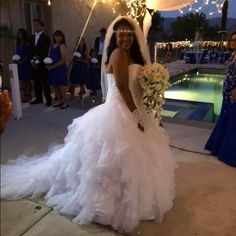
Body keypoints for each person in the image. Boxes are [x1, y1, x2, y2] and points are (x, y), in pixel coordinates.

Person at [1, 16, 176, 233]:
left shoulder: (131, 56)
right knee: (114, 160)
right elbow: (122, 87)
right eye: (121, 34)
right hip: (119, 112)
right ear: (115, 35)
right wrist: (138, 116)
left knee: (131, 160)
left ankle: (127, 197)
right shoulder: (118, 53)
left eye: (130, 34)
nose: (125, 38)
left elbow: (134, 86)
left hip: (132, 109)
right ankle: (111, 203)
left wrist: (151, 90)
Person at [205, 30, 236, 167]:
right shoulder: (233, 55)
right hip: (227, 92)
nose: (233, 42)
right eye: (232, 39)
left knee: (233, 124)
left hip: (234, 92)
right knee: (225, 120)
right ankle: (219, 148)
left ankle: (230, 155)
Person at [29, 19, 52, 106]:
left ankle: (48, 99)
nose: (35, 26)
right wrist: (32, 61)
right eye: (34, 25)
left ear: (42, 26)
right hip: (33, 63)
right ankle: (39, 98)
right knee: (36, 81)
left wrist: (39, 61)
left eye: (37, 25)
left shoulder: (46, 37)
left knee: (45, 82)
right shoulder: (31, 37)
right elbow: (30, 51)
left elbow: (46, 51)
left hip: (43, 63)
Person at [46, 30, 68, 109]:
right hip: (52, 68)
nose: (57, 37)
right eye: (56, 35)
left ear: (62, 37)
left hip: (60, 68)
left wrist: (53, 66)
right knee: (55, 85)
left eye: (59, 36)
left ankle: (65, 102)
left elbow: (63, 59)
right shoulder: (51, 46)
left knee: (61, 85)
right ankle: (59, 100)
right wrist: (48, 64)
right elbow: (49, 57)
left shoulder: (62, 46)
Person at [68, 37, 89, 102]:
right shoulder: (75, 49)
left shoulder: (85, 50)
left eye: (81, 41)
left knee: (81, 82)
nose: (80, 42)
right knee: (73, 81)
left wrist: (80, 60)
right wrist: (69, 65)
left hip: (82, 67)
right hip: (75, 66)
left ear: (84, 42)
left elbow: (87, 61)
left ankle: (81, 97)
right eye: (78, 41)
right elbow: (73, 58)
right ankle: (72, 95)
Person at [14, 28, 32, 102]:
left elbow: (28, 54)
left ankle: (28, 95)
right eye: (18, 34)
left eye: (21, 34)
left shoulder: (26, 43)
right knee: (22, 81)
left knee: (27, 80)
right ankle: (24, 95)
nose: (19, 35)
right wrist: (15, 59)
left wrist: (22, 61)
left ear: (24, 34)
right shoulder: (18, 43)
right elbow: (17, 53)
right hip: (20, 65)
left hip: (26, 64)